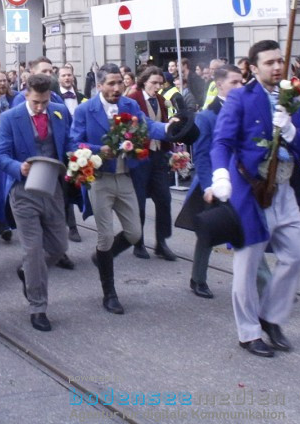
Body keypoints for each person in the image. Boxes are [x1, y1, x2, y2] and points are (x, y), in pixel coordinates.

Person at [207, 40, 300, 358]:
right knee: (247, 266)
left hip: (283, 189)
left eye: (280, 61)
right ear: (253, 68)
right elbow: (221, 142)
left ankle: (271, 317)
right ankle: (248, 332)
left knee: (296, 255)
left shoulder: (290, 98)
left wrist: (291, 130)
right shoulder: (239, 97)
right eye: (269, 63)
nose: (277, 67)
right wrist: (220, 175)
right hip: (251, 191)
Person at [70, 64, 179, 315]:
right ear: (99, 85)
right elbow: (74, 142)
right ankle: (109, 292)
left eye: (119, 82)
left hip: (126, 175)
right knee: (105, 236)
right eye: (111, 83)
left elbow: (147, 126)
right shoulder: (86, 109)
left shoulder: (129, 105)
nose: (117, 88)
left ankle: (101, 257)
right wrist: (99, 150)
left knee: (133, 233)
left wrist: (168, 128)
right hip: (100, 179)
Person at [0, 74, 71, 332]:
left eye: (45, 102)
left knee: (59, 247)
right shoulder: (9, 118)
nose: (41, 107)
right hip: (23, 192)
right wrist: (18, 167)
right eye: (36, 102)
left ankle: (28, 272)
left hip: (53, 189)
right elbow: (0, 155)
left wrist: (80, 156)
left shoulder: (59, 112)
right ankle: (38, 307)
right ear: (26, 94)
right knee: (33, 250)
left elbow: (68, 143)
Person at [187, 64, 244, 298]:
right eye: (235, 82)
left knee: (247, 232)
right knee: (209, 233)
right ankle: (198, 279)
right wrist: (209, 185)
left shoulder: (245, 110)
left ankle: (260, 284)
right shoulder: (207, 116)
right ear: (220, 85)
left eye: (242, 81)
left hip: (242, 182)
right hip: (215, 183)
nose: (241, 86)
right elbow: (201, 155)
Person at [128, 65, 196, 261]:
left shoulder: (160, 100)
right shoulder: (133, 99)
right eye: (153, 83)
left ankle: (161, 242)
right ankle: (138, 242)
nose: (157, 87)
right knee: (139, 201)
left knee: (164, 199)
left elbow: (166, 125)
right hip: (140, 156)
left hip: (159, 155)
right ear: (144, 81)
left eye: (160, 83)